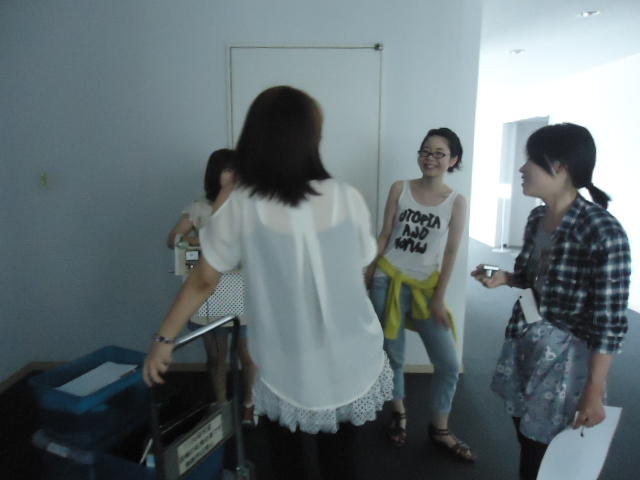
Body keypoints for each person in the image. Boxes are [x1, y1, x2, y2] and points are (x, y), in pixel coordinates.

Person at [145, 86, 393, 480]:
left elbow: (204, 278)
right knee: (341, 459)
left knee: (286, 460)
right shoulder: (347, 196)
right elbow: (363, 259)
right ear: (310, 138)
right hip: (347, 349)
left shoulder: (242, 202)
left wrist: (164, 339)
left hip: (285, 356)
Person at [471, 123, 631, 480]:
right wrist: (503, 277)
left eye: (531, 159)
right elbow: (529, 277)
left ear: (560, 167)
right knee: (524, 431)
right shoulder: (537, 218)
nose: (521, 168)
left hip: (566, 363)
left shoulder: (602, 231)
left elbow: (609, 324)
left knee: (544, 453)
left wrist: (594, 391)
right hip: (528, 343)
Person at [365, 127, 475, 461]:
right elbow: (385, 234)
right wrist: (368, 273)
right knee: (393, 355)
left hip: (426, 288)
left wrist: (439, 298)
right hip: (387, 280)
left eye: (439, 153)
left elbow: (451, 253)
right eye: (426, 151)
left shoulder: (457, 202)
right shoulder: (400, 188)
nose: (430, 158)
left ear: (453, 160)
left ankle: (439, 428)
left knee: (449, 363)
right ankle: (398, 412)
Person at [166, 148, 257, 426]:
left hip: (243, 291)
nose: (234, 175)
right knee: (216, 357)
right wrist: (199, 242)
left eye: (237, 170)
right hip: (209, 293)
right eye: (228, 169)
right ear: (215, 173)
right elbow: (173, 240)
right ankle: (220, 404)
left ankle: (250, 403)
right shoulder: (200, 207)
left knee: (248, 355)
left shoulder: (249, 206)